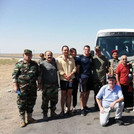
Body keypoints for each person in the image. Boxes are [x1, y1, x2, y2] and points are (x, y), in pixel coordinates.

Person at [12, 49, 39, 127]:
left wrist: (40, 83)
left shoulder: (34, 64)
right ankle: (22, 120)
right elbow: (14, 75)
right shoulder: (19, 64)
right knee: (22, 104)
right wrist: (15, 86)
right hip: (22, 89)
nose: (28, 56)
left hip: (32, 88)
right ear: (23, 55)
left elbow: (38, 74)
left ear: (31, 56)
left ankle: (29, 118)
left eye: (29, 55)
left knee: (31, 102)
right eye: (26, 54)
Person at [56, 45, 76, 116]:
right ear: (62, 51)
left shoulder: (71, 59)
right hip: (63, 80)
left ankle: (68, 109)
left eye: (67, 50)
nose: (66, 51)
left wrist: (70, 74)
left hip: (71, 79)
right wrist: (66, 76)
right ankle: (62, 110)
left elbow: (74, 68)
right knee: (63, 96)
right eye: (64, 50)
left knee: (69, 95)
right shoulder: (59, 59)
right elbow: (59, 69)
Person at [39, 51, 58, 120]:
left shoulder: (54, 63)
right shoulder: (42, 64)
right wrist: (40, 84)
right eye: (48, 55)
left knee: (54, 100)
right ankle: (45, 114)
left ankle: (53, 112)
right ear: (45, 56)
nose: (49, 56)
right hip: (46, 86)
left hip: (54, 85)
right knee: (45, 101)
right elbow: (40, 75)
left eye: (50, 55)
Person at [77, 45, 93, 116]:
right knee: (82, 93)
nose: (87, 51)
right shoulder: (80, 58)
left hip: (89, 77)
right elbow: (78, 68)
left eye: (88, 49)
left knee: (88, 92)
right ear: (83, 50)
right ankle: (82, 108)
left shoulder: (90, 57)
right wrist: (79, 76)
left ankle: (85, 105)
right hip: (83, 77)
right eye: (86, 49)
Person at [93, 46, 109, 111]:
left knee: (103, 92)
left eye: (99, 50)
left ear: (101, 50)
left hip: (103, 78)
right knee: (96, 93)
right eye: (96, 50)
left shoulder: (104, 58)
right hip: (95, 77)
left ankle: (103, 104)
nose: (98, 51)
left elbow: (107, 65)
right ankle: (96, 105)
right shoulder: (93, 58)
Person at [69, 48, 79, 113]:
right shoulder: (68, 59)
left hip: (76, 78)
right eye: (72, 52)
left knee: (75, 93)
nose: (73, 53)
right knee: (69, 94)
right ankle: (67, 107)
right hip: (69, 78)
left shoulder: (77, 59)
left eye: (74, 52)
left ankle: (74, 106)